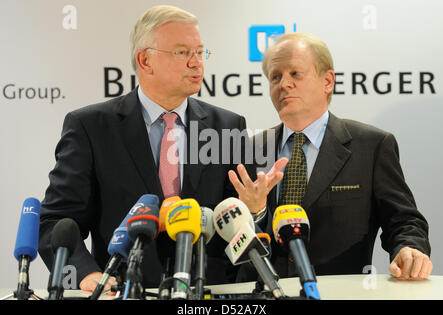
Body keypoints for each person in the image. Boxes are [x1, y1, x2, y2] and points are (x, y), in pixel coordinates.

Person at [38, 5, 284, 293]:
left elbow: (237, 224)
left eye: (200, 52)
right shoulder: (91, 127)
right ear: (145, 60)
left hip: (209, 292)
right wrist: (85, 274)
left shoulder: (227, 125)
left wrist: (254, 211)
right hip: (124, 291)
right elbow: (55, 221)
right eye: (182, 52)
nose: (196, 63)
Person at [229, 32, 433, 281]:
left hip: (340, 292)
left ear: (327, 81)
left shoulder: (371, 145)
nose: (284, 84)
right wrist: (256, 214)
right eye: (275, 77)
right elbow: (231, 237)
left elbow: (402, 220)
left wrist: (408, 248)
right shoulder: (248, 149)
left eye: (295, 74)